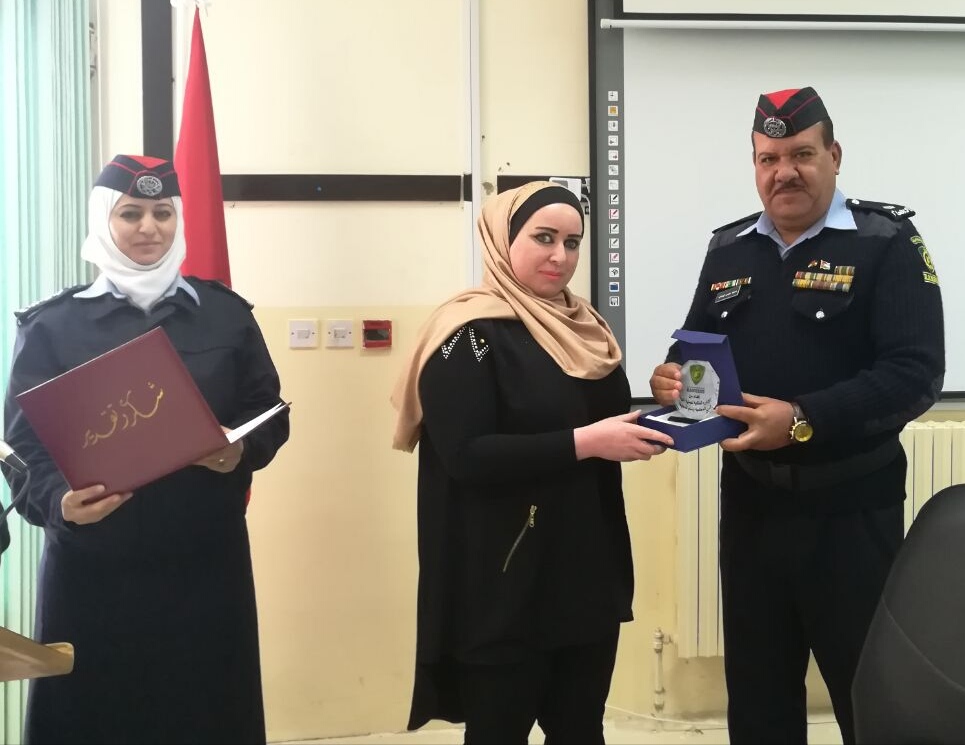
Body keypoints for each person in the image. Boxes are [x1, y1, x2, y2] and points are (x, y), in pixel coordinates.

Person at [650, 87, 945, 744]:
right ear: (754, 165)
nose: (783, 171)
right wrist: (672, 376)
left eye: (801, 154)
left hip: (851, 511)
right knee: (758, 701)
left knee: (871, 698)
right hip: (751, 509)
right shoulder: (728, 249)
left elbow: (915, 374)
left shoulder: (886, 242)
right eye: (768, 158)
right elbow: (696, 348)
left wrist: (802, 418)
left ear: (833, 156)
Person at [2, 154, 290, 744]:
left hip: (203, 557)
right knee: (91, 716)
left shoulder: (225, 316)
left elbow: (269, 410)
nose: (149, 227)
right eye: (131, 213)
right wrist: (58, 503)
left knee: (205, 714)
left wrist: (239, 450)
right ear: (103, 220)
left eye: (163, 212)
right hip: (93, 563)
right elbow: (21, 442)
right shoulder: (53, 325)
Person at [391, 181, 675, 744]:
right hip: (504, 581)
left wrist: (657, 413)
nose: (560, 256)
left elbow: (598, 418)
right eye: (543, 238)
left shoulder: (585, 327)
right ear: (502, 240)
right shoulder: (468, 336)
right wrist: (586, 443)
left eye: (573, 242)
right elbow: (465, 454)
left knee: (580, 729)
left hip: (585, 570)